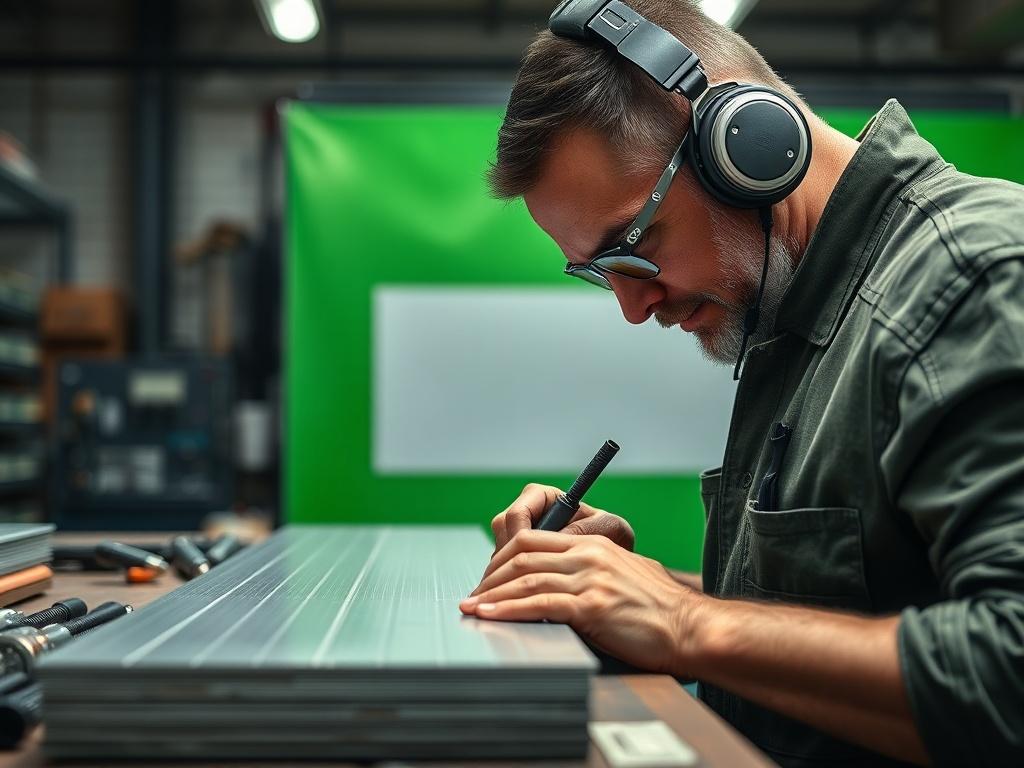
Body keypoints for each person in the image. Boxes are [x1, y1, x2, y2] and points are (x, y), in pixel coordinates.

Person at [457, 1, 1024, 766]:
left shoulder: (974, 281)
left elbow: (1006, 674)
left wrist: (687, 623)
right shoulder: (796, 314)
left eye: (633, 245)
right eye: (599, 272)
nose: (633, 306)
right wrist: (629, 590)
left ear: (748, 146)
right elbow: (861, 609)